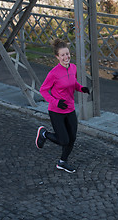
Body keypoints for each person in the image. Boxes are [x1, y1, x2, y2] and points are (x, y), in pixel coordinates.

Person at [35, 39, 90, 173]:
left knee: (72, 138)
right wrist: (55, 101)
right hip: (56, 111)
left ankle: (62, 162)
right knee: (64, 140)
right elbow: (43, 90)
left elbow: (73, 83)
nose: (66, 57)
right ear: (57, 57)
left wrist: (81, 88)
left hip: (70, 109)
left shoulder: (73, 68)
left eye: (67, 54)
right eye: (63, 55)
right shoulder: (53, 73)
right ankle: (44, 133)